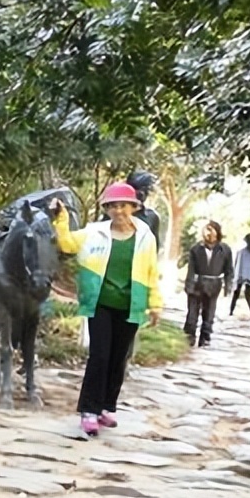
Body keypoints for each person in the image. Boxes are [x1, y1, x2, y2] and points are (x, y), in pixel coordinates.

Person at [50, 183, 164, 437]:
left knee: (119, 358)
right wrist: (62, 218)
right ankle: (89, 411)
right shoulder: (94, 232)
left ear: (134, 207)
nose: (118, 211)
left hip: (130, 305)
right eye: (112, 206)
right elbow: (67, 244)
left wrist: (155, 304)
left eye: (123, 205)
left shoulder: (146, 237)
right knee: (99, 356)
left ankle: (106, 407)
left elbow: (152, 273)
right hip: (100, 302)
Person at [182, 220, 233, 347]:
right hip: (197, 284)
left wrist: (228, 286)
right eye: (206, 230)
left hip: (214, 284)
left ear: (217, 232)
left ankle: (205, 337)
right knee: (192, 313)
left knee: (209, 313)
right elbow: (191, 269)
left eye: (211, 230)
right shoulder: (196, 249)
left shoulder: (225, 250)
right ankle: (189, 337)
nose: (208, 233)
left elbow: (229, 270)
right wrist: (189, 285)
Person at [125, 170, 163, 238]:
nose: (140, 193)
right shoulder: (114, 213)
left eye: (145, 189)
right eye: (135, 189)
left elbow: (153, 246)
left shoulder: (152, 217)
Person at [230, 233, 250, 317]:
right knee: (248, 295)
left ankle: (231, 311)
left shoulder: (241, 252)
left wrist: (235, 275)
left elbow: (236, 264)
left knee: (236, 294)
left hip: (240, 275)